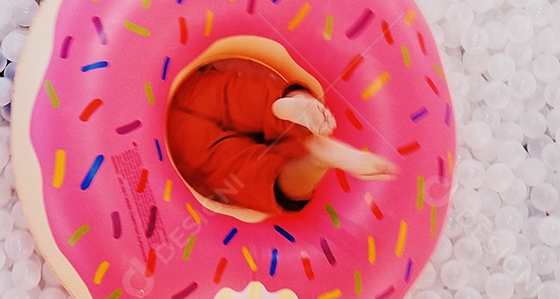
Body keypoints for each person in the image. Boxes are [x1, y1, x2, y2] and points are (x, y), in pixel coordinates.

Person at [166, 62, 397, 216]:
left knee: (236, 172)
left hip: (180, 138)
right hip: (196, 86)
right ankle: (295, 111)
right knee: (243, 98)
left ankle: (312, 152)